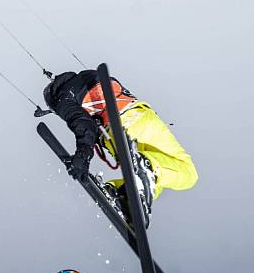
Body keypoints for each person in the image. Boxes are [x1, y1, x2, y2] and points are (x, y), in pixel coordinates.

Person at [43, 67, 198, 223]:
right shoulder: (88, 76)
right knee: (181, 173)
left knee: (151, 172)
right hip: (145, 117)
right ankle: (126, 195)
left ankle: (137, 178)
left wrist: (82, 157)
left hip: (121, 130)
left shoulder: (63, 99)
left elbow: (83, 126)